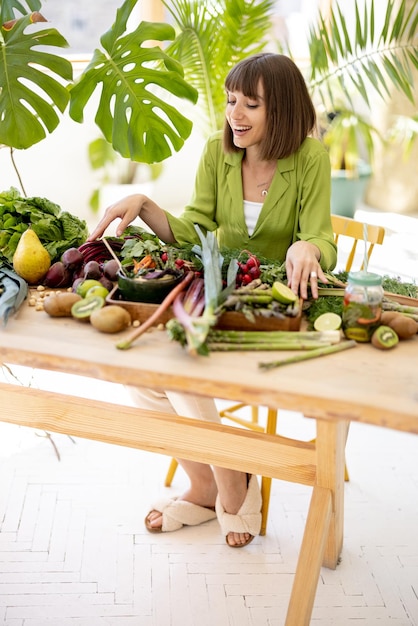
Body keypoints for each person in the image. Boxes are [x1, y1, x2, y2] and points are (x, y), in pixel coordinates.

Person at [89, 52, 337, 547]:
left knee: (184, 367)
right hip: (216, 292)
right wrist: (145, 206)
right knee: (140, 372)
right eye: (230, 100)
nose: (234, 114)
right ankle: (217, 484)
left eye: (251, 104)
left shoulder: (310, 159)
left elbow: (322, 240)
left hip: (272, 309)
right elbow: (192, 232)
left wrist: (307, 245)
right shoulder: (216, 153)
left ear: (282, 109)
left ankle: (223, 488)